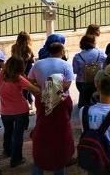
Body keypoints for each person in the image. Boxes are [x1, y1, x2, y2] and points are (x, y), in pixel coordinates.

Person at [28, 42, 75, 175]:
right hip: (60, 109)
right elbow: (67, 85)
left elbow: (30, 81)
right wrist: (55, 94)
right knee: (60, 143)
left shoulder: (38, 64)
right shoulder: (65, 65)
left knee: (41, 140)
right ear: (62, 51)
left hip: (42, 101)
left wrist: (40, 92)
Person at [0, 57, 41, 167]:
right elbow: (36, 90)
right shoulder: (18, 78)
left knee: (8, 132)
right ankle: (16, 159)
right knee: (18, 135)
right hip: (20, 110)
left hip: (5, 111)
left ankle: (7, 151)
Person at [73, 34, 107, 108]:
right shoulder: (101, 54)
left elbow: (75, 71)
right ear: (93, 43)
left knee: (83, 101)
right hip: (97, 81)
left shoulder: (77, 56)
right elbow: (105, 66)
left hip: (82, 82)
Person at [11, 31, 37, 114]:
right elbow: (32, 60)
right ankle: (30, 105)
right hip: (27, 71)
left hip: (18, 69)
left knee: (22, 89)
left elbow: (13, 58)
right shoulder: (29, 48)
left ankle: (27, 105)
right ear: (28, 39)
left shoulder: (14, 47)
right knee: (28, 88)